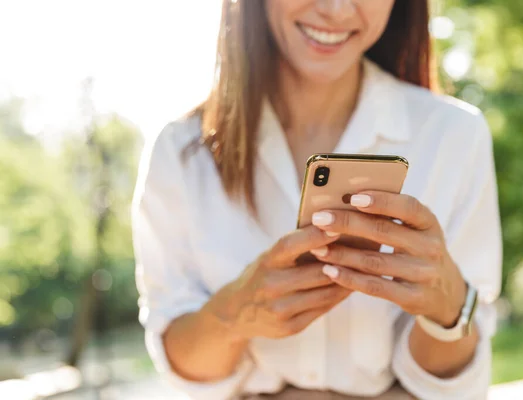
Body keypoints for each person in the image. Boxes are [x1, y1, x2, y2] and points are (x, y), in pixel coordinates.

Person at [132, 0, 502, 399]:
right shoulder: (181, 152)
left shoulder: (454, 135)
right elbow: (181, 367)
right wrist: (234, 314)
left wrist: (447, 308)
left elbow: (454, 386)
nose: (337, 9)